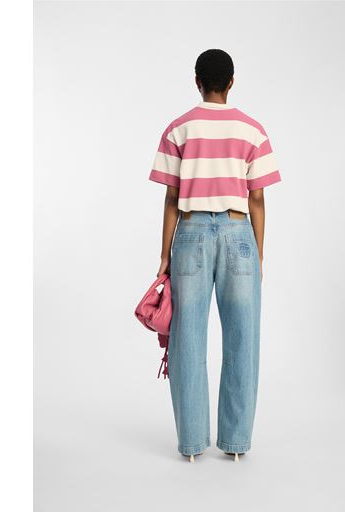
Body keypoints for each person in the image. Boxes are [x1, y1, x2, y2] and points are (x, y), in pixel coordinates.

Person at [148, 49, 281, 463]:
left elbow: (172, 198)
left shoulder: (179, 128)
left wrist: (165, 255)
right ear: (232, 82)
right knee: (243, 339)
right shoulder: (252, 130)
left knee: (187, 340)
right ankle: (236, 443)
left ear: (197, 81)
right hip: (239, 233)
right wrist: (258, 254)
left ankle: (192, 444)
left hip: (189, 235)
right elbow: (256, 199)